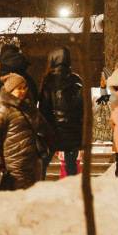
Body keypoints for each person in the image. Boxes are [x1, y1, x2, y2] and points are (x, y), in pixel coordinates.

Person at [38, 47, 85, 177]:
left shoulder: (48, 80)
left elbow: (43, 108)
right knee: (71, 166)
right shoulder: (76, 80)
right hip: (72, 132)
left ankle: (39, 190)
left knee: (43, 163)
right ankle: (72, 193)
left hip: (52, 130)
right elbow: (82, 108)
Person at [0, 72, 45, 191]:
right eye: (19, 88)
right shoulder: (3, 109)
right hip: (14, 165)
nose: (23, 91)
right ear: (10, 90)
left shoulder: (30, 106)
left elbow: (40, 126)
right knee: (19, 200)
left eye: (24, 88)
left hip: (33, 163)